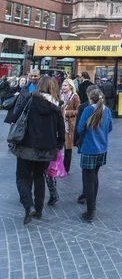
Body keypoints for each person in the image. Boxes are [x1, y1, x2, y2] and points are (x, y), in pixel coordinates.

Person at [10, 76, 65, 224]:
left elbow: (15, 116)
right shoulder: (57, 104)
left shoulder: (30, 99)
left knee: (22, 176)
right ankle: (39, 210)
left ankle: (29, 206)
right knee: (39, 176)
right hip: (47, 147)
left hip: (27, 144)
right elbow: (61, 128)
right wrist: (59, 144)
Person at [77, 88, 113, 222]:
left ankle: (90, 211)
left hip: (89, 148)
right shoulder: (107, 110)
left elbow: (80, 128)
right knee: (95, 176)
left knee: (89, 180)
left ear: (90, 98)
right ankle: (93, 206)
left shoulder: (87, 110)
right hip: (102, 148)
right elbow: (110, 127)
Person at [74, 84, 97, 205]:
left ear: (88, 95)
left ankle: (86, 195)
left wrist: (76, 140)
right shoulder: (104, 108)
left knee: (86, 172)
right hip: (100, 145)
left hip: (87, 144)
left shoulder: (84, 108)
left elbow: (79, 127)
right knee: (95, 173)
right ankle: (92, 197)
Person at [60, 78, 80, 172]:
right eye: (63, 85)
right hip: (60, 123)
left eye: (65, 85)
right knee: (59, 145)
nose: (63, 87)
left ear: (70, 86)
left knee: (68, 147)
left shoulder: (75, 97)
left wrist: (67, 112)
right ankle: (57, 165)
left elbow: (78, 110)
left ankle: (66, 167)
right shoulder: (60, 96)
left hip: (69, 124)